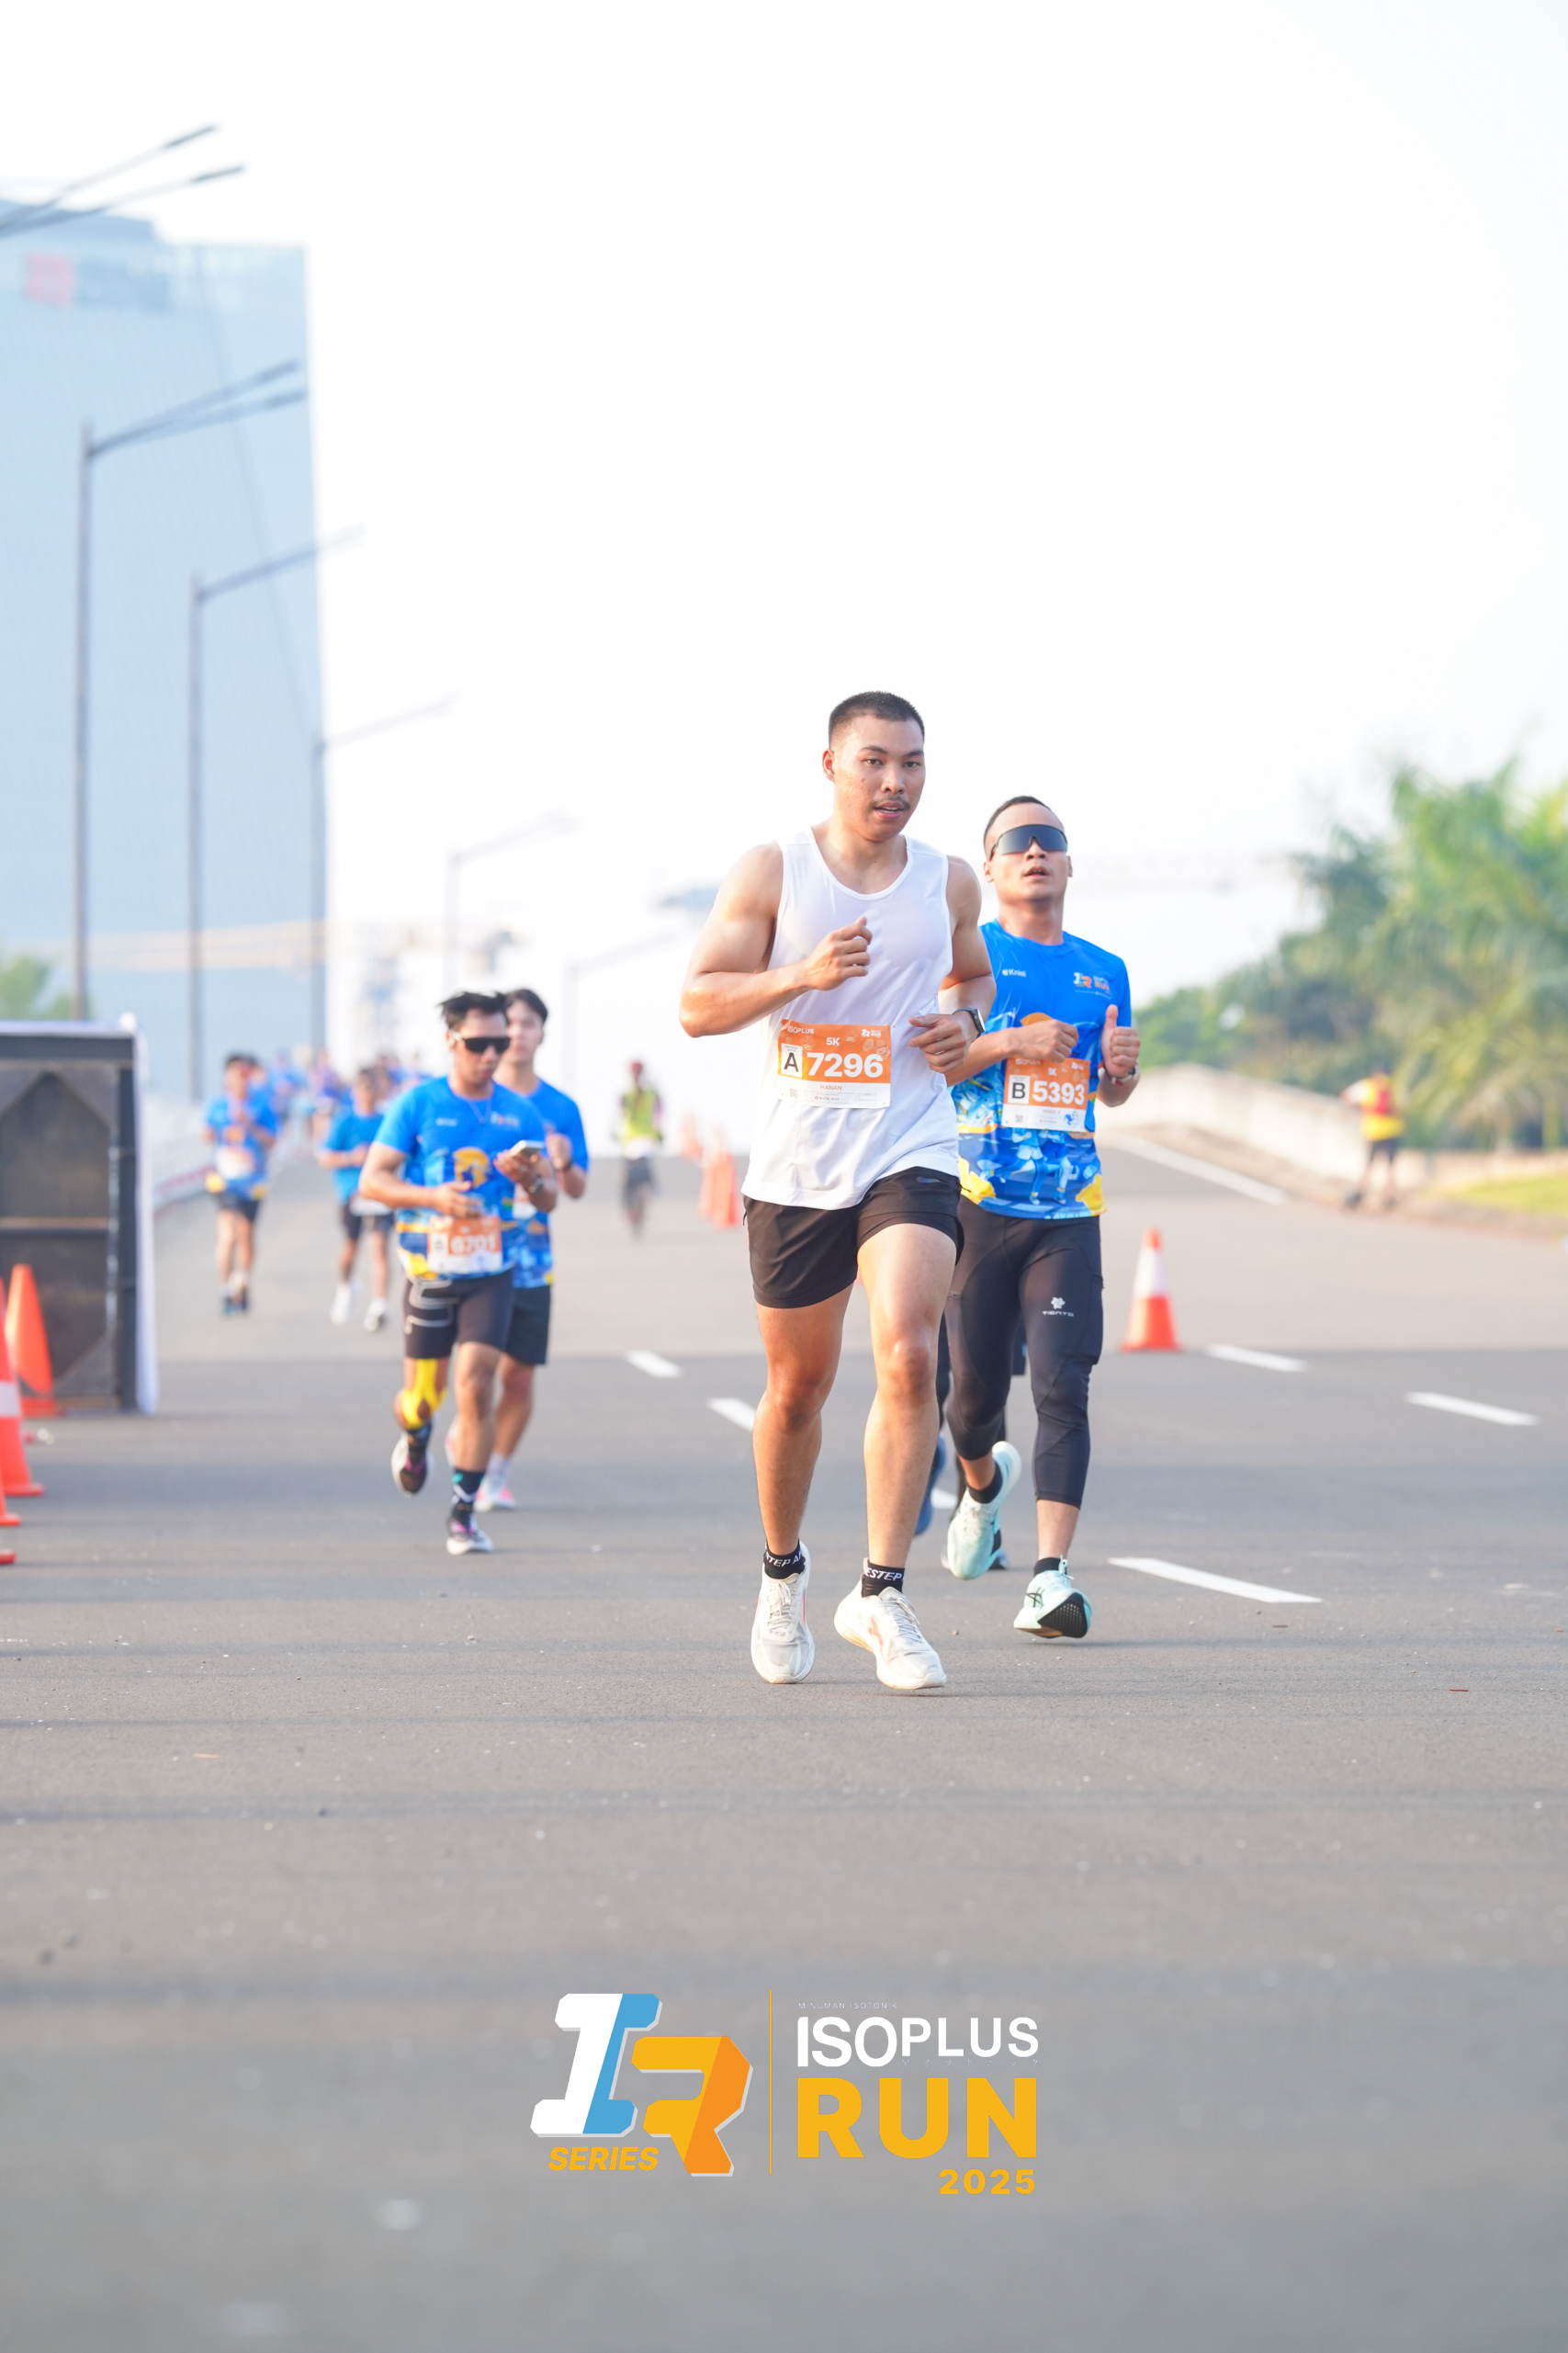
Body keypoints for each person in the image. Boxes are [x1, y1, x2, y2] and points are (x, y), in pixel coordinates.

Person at [680, 689, 994, 1694]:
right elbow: (697, 1004)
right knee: (796, 1390)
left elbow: (973, 975)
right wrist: (799, 975)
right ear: (831, 765)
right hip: (799, 1162)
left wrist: (962, 1023)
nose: (895, 782)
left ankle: (882, 1592)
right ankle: (782, 1574)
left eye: (912, 763)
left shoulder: (948, 879)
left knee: (910, 1352)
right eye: (874, 761)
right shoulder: (776, 870)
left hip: (910, 1140)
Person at [941, 797, 1140, 1640]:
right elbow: (934, 1062)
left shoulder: (1104, 969)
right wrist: (1008, 1043)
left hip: (1068, 1209)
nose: (1034, 852)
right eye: (1015, 842)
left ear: (1067, 862)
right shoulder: (969, 954)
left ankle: (1048, 1576)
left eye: (1048, 840)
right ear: (989, 866)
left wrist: (1122, 1074)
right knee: (970, 1403)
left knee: (1063, 1384)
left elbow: (1108, 1089)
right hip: (976, 1205)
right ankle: (982, 1488)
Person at [358, 991, 556, 1556]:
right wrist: (432, 1198)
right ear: (451, 1041)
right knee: (423, 1396)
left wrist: (530, 1178)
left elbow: (548, 1199)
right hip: (430, 1270)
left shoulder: (520, 1113)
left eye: (499, 1042)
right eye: (478, 1043)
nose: (492, 1054)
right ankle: (416, 1433)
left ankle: (463, 1513)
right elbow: (374, 1180)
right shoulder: (418, 1104)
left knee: (476, 1384)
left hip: (493, 1269)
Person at [457, 987, 590, 1510]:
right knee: (476, 1372)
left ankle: (495, 1471)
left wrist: (562, 1160)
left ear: (541, 1034)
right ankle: (470, 1433)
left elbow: (576, 1189)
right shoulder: (468, 1099)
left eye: (527, 1024)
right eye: (507, 1025)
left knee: (518, 1375)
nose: (515, 1034)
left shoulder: (560, 1108)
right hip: (472, 1252)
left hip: (531, 1257)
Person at [319, 1068, 394, 1330]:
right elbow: (325, 1157)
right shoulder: (345, 1121)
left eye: (370, 1087)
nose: (366, 1093)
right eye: (361, 1088)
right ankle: (346, 1285)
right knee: (351, 1248)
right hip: (351, 1194)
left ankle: (379, 1305)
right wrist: (352, 1157)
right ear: (354, 1092)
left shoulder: (387, 1121)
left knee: (380, 1246)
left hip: (379, 1193)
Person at [205, 1052, 277, 1316]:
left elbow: (272, 1140)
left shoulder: (261, 1106)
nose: (239, 1081)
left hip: (253, 1179)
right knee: (227, 1233)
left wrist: (249, 1124)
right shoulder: (218, 1105)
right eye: (234, 1076)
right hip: (224, 1178)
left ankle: (242, 1282)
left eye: (244, 1076)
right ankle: (225, 1289)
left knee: (246, 1233)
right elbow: (206, 1134)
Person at [1341, 1071, 1404, 1209]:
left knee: (1368, 1165)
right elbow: (1401, 1109)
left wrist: (1363, 1109)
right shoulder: (1393, 1087)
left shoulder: (1368, 1086)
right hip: (1392, 1131)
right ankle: (1388, 1197)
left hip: (1373, 1132)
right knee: (1390, 1167)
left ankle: (1359, 1192)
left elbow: (1346, 1096)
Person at [616, 1061, 662, 1234]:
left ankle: (626, 1210)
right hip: (645, 1142)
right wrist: (658, 1134)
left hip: (631, 1143)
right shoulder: (652, 1094)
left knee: (625, 1180)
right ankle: (653, 1191)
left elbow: (619, 1118)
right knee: (645, 1175)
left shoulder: (625, 1095)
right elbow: (659, 1116)